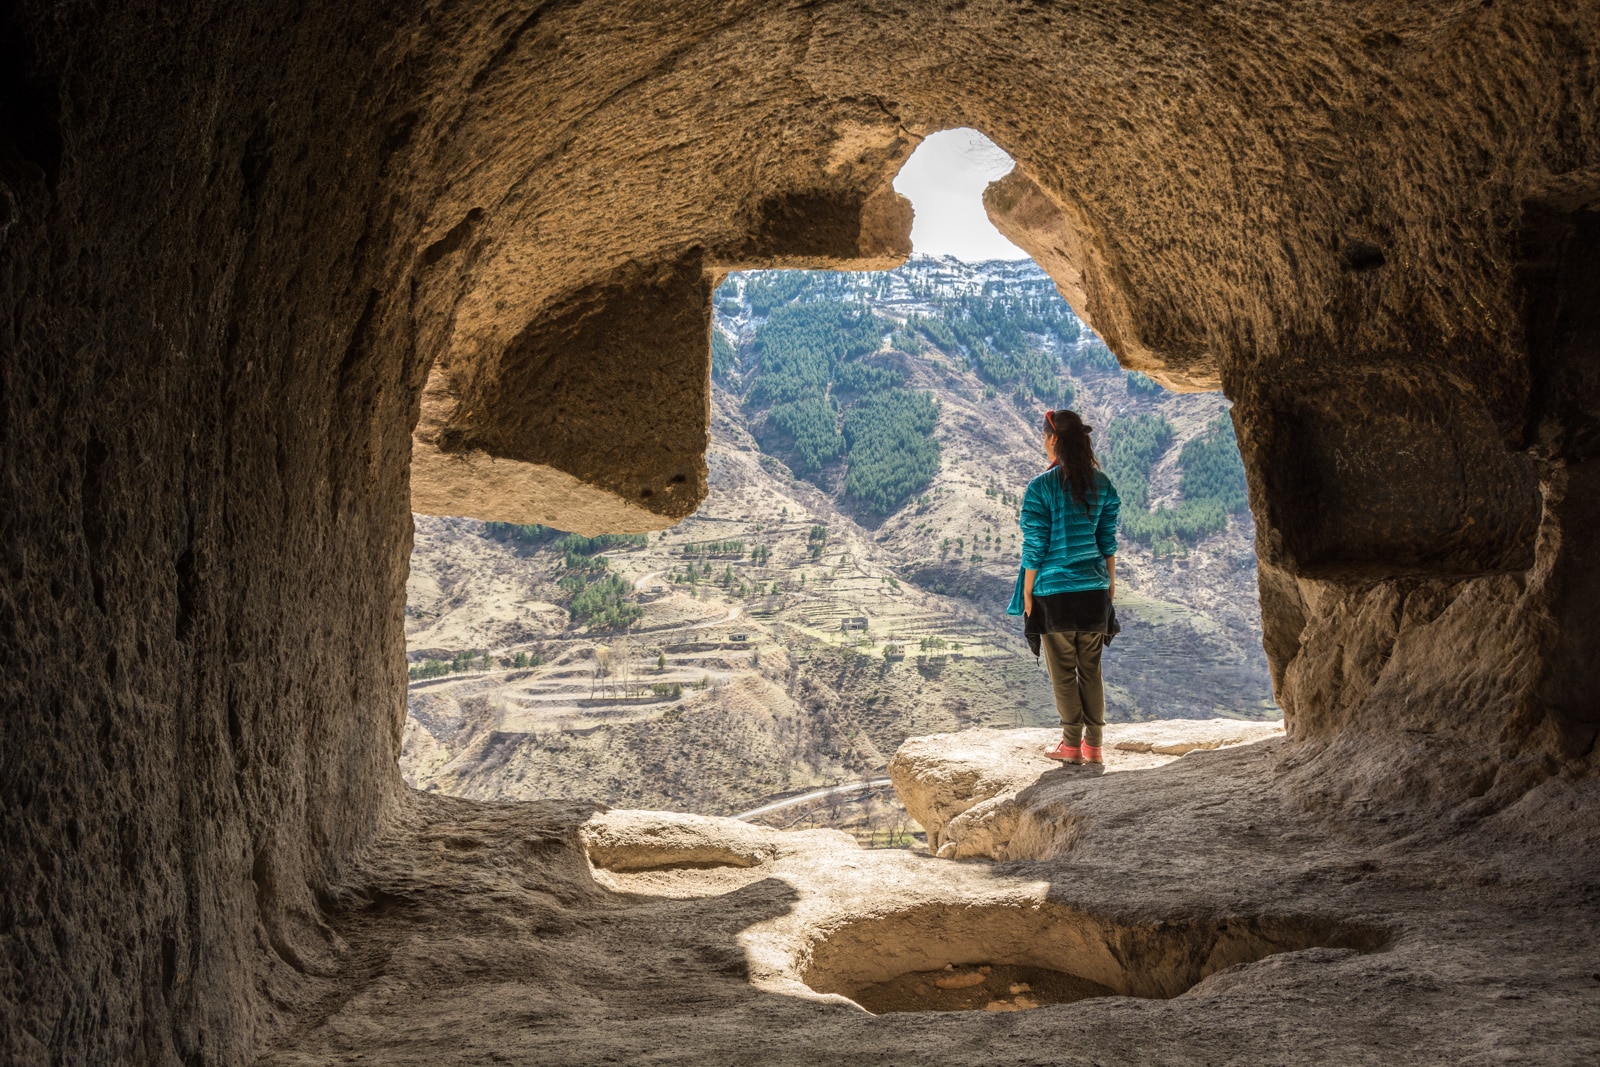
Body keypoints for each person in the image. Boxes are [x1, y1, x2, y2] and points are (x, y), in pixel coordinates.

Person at [1006, 409, 1120, 765]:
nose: (1044, 444)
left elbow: (1035, 545)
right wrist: (1110, 586)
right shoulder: (1101, 484)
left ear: (1053, 440)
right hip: (1094, 591)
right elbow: (1107, 542)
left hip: (1054, 593)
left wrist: (1027, 593)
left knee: (1063, 673)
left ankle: (1070, 745)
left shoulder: (1041, 487)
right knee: (1091, 670)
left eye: (1044, 438)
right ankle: (1095, 746)